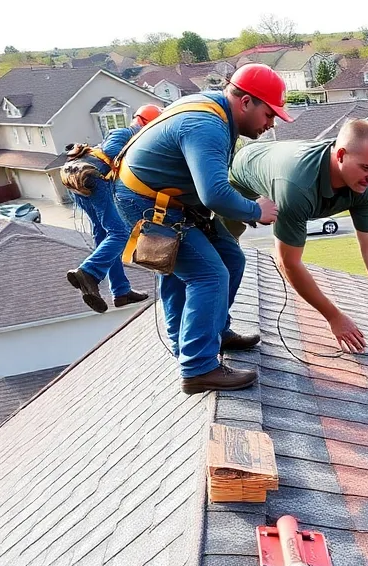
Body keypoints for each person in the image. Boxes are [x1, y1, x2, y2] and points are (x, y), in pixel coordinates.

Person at [113, 64, 286, 394]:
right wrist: (255, 209)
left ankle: (212, 332)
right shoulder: (208, 125)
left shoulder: (216, 112)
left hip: (175, 201)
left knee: (230, 260)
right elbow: (215, 193)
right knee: (207, 274)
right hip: (149, 202)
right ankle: (197, 368)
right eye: (269, 113)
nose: (271, 123)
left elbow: (209, 186)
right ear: (246, 101)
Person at [227, 119, 368, 352]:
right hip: (238, 177)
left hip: (278, 170)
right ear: (340, 155)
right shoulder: (297, 187)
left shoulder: (364, 188)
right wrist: (334, 317)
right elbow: (287, 262)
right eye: (366, 168)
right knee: (224, 260)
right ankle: (215, 338)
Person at [65, 103, 161, 313]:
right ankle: (89, 272)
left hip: (82, 184)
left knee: (103, 233)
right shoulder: (128, 133)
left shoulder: (126, 133)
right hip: (96, 181)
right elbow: (114, 157)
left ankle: (120, 291)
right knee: (121, 232)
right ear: (149, 123)